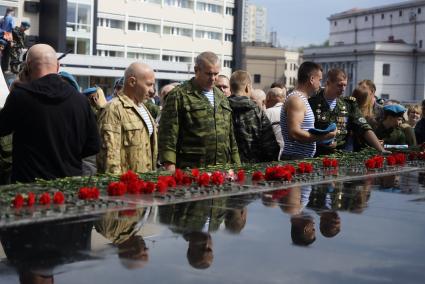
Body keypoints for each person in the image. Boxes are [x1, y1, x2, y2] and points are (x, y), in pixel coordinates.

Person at [0, 44, 99, 183]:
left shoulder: (20, 97)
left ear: (27, 67)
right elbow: (93, 146)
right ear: (58, 66)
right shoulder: (81, 100)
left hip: (29, 190)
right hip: (68, 188)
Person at [158, 51, 240, 171]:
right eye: (208, 74)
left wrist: (236, 165)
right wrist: (170, 168)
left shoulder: (221, 97)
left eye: (216, 74)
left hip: (221, 170)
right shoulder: (179, 95)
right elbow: (168, 136)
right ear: (197, 70)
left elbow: (230, 136)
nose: (213, 78)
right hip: (191, 170)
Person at [308, 69, 386, 156]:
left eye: (345, 85)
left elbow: (364, 128)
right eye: (339, 85)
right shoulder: (312, 103)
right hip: (317, 155)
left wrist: (381, 150)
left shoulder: (348, 104)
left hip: (341, 156)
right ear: (328, 83)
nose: (343, 89)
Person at [97, 62, 157, 174]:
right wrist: (117, 187)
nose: (152, 91)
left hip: (144, 183)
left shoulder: (143, 107)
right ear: (132, 82)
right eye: (149, 85)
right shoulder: (113, 108)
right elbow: (110, 157)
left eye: (153, 85)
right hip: (126, 186)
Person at [280, 61, 336, 159]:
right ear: (312, 79)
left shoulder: (301, 99)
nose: (321, 84)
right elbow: (294, 133)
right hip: (295, 158)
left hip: (299, 157)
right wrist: (324, 137)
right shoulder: (297, 100)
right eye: (320, 80)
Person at [228, 70, 279, 162]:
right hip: (253, 167)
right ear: (247, 87)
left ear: (230, 88)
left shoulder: (222, 109)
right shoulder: (257, 111)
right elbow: (270, 146)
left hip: (227, 169)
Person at [265, 87, 286, 159]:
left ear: (269, 99)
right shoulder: (291, 111)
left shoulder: (267, 113)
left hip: (272, 155)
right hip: (290, 153)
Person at [0, 7, 15, 72]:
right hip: (7, 38)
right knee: (6, 55)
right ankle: (4, 69)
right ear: (12, 11)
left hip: (1, 38)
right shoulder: (11, 18)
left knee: (1, 52)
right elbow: (12, 27)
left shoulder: (2, 19)